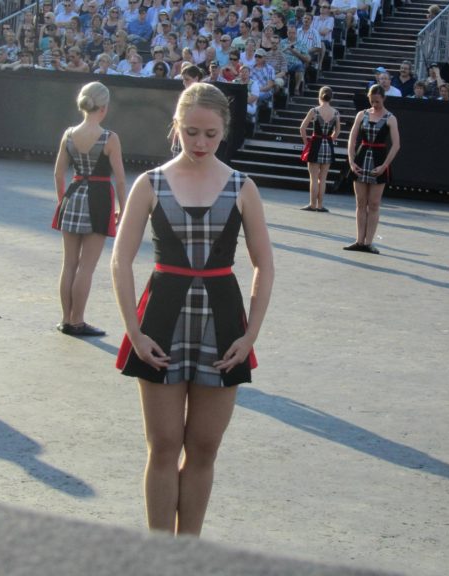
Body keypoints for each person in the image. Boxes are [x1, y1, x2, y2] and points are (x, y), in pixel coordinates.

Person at [112, 82, 274, 536]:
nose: (200, 143)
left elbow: (265, 265)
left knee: (204, 449)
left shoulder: (242, 186)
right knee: (163, 446)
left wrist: (250, 336)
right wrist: (134, 332)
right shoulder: (151, 183)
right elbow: (120, 260)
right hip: (160, 320)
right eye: (190, 132)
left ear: (225, 131)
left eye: (210, 134)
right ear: (176, 128)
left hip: (223, 324)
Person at [52, 82, 127, 337]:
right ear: (104, 108)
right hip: (98, 199)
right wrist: (124, 208)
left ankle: (65, 318)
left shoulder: (69, 134)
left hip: (73, 194)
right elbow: (119, 179)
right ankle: (78, 320)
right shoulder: (110, 138)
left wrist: (63, 200)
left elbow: (58, 174)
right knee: (87, 266)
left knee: (69, 264)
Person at [345, 84, 401, 254]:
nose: (375, 104)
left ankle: (369, 242)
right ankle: (359, 240)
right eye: (372, 101)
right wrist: (351, 161)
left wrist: (384, 166)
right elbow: (352, 139)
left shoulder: (390, 118)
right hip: (362, 158)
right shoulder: (362, 115)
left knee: (374, 203)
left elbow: (396, 145)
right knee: (360, 202)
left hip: (378, 158)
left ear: (383, 98)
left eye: (377, 101)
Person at [299, 86, 341, 212]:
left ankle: (312, 204)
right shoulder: (336, 112)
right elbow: (337, 131)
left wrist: (307, 142)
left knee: (313, 177)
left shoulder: (314, 111)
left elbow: (302, 128)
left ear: (320, 96)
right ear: (331, 97)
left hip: (315, 143)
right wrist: (330, 139)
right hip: (327, 143)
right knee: (323, 178)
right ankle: (320, 205)